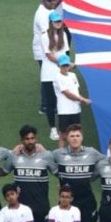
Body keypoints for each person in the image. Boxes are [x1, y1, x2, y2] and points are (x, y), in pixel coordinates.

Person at [43, 13, 72, 141]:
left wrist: (67, 65)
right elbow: (49, 55)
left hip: (62, 73)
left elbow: (66, 52)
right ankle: (53, 129)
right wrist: (63, 64)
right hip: (49, 74)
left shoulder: (63, 35)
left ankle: (64, 128)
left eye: (59, 21)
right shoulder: (44, 36)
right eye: (55, 21)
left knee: (63, 100)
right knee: (51, 102)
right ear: (50, 22)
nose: (58, 23)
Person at [53, 55, 90, 145]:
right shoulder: (57, 78)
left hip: (76, 109)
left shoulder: (73, 75)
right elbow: (67, 93)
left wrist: (82, 99)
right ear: (59, 66)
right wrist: (83, 99)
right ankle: (61, 153)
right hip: (64, 111)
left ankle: (78, 151)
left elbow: (76, 92)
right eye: (63, 65)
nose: (65, 67)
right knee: (63, 135)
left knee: (77, 133)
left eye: (67, 65)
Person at [32, 0, 57, 69]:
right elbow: (47, 33)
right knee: (47, 73)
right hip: (43, 50)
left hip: (50, 47)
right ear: (43, 1)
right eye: (49, 0)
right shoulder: (41, 14)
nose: (52, 2)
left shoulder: (50, 9)